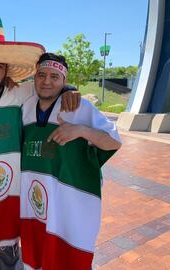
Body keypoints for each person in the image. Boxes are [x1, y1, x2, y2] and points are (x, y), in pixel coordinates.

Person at [0, 16, 80, 269]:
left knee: (10, 242)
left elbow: (49, 86)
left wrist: (70, 89)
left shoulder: (21, 93)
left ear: (7, 70)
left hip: (15, 188)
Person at [20, 53, 122, 269]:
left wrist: (81, 130)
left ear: (64, 81)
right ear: (34, 78)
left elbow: (114, 142)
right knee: (37, 259)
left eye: (55, 77)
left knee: (68, 261)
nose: (47, 81)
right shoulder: (26, 108)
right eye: (42, 75)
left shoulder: (79, 107)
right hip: (35, 209)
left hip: (70, 207)